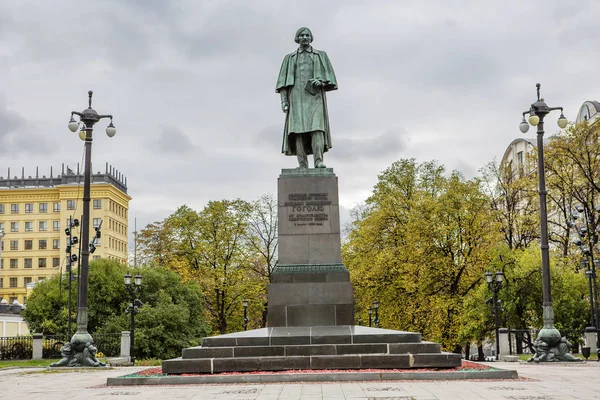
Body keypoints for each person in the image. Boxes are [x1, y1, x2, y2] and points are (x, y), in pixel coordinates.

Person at [276, 27, 338, 168]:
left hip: (315, 97)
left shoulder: (320, 55)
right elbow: (282, 83)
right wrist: (284, 100)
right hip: (296, 98)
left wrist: (321, 82)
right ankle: (302, 164)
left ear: (311, 38)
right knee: (298, 131)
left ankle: (318, 161)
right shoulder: (289, 58)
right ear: (297, 38)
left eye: (307, 35)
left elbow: (331, 79)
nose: (304, 37)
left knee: (317, 129)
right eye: (302, 35)